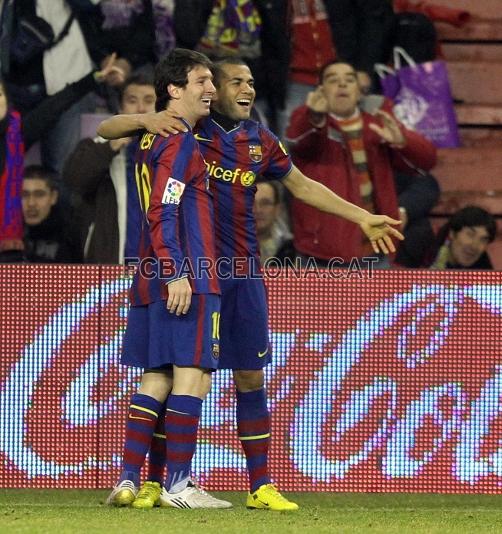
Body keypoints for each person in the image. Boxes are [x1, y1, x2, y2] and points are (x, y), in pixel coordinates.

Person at [98, 57, 404, 512]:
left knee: (246, 373)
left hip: (242, 274)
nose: (248, 89)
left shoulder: (259, 140)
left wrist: (362, 216)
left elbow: (302, 186)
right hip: (197, 271)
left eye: (252, 81)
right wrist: (148, 116)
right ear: (211, 90)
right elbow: (108, 129)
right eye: (235, 81)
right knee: (181, 371)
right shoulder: (182, 132)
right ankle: (162, 483)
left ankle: (259, 484)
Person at [106, 48, 231, 510]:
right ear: (174, 89)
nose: (211, 89)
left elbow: (107, 130)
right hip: (185, 271)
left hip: (149, 270)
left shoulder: (149, 138)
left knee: (156, 375)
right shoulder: (179, 141)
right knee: (192, 374)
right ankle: (179, 484)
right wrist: (180, 271)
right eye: (201, 81)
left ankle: (128, 479)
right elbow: (164, 208)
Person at [285, 60, 437, 267]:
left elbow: (427, 162)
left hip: (376, 249)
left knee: (377, 301)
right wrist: (314, 117)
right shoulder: (307, 120)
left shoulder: (379, 123)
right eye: (333, 80)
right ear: (320, 91)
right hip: (320, 253)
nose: (342, 85)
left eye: (349, 80)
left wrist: (403, 141)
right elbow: (298, 143)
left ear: (359, 92)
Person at [64, 73, 156, 264]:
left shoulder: (174, 152)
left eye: (149, 100)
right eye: (132, 101)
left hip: (160, 272)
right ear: (121, 108)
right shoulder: (98, 146)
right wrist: (111, 146)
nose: (140, 108)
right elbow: (74, 180)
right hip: (110, 268)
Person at [22, 165, 82, 263]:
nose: (31, 203)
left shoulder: (69, 236)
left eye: (39, 195)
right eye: (24, 195)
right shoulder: (6, 235)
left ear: (53, 197)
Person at [426, 206, 496, 270]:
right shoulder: (425, 255)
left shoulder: (483, 265)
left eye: (483, 239)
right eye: (470, 234)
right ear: (452, 234)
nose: (474, 245)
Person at [254, 181, 294, 264]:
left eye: (265, 203)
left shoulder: (292, 248)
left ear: (278, 209)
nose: (258, 210)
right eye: (251, 203)